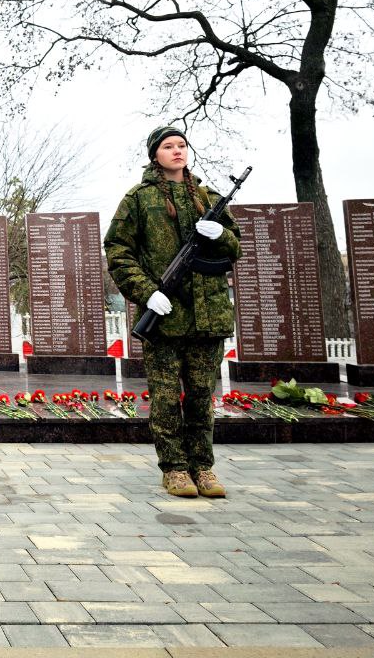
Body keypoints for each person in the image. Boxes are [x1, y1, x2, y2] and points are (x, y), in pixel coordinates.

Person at [103, 125, 241, 499]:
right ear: (155, 155)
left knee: (201, 397)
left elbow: (235, 249)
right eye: (168, 146)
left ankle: (203, 467)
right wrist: (146, 293)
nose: (177, 151)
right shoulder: (139, 199)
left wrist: (220, 235)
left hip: (208, 316)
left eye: (182, 145)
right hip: (165, 318)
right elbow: (118, 250)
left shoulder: (208, 197)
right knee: (165, 399)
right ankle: (175, 469)